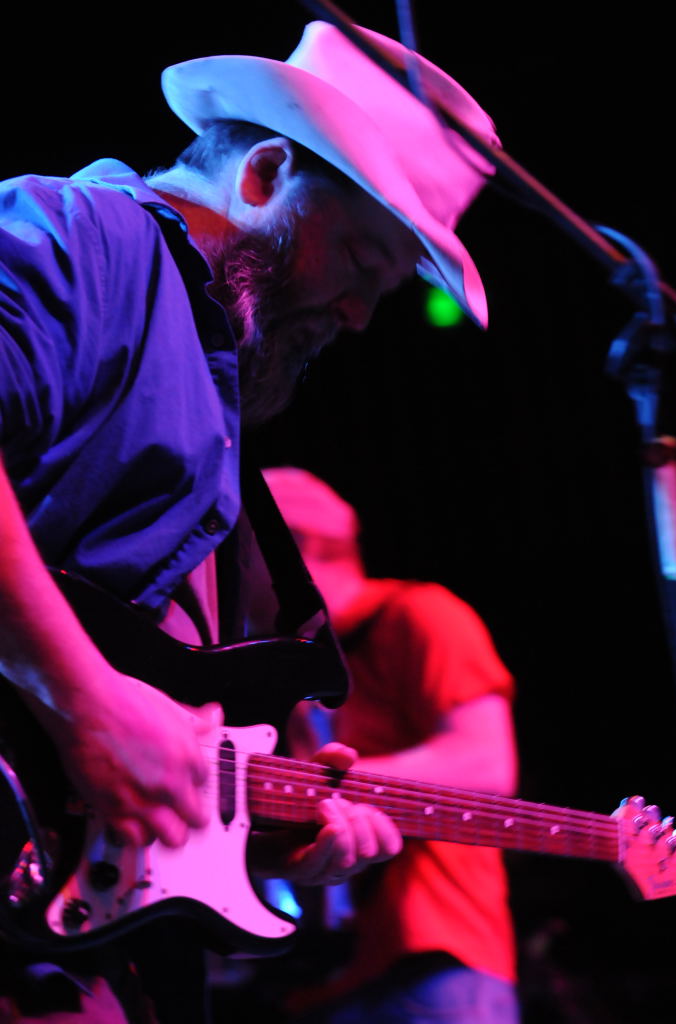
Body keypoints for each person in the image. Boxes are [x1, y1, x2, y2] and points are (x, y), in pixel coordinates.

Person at [0, 19, 500, 1023]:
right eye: (360, 258)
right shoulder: (83, 237)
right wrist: (89, 701)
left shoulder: (209, 376)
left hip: (86, 928)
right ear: (266, 173)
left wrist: (248, 816)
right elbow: (98, 694)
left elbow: (135, 669)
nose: (358, 315)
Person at [261, 467, 519, 1024]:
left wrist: (307, 788)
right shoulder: (290, 662)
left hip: (435, 954)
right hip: (324, 976)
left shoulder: (422, 613)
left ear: (293, 547)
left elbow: (487, 764)